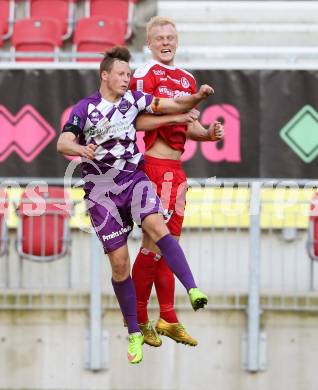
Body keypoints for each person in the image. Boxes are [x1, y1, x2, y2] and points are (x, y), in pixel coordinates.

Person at [57, 46, 214, 364]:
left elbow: (169, 103)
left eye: (130, 74)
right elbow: (62, 142)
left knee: (158, 227)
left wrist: (196, 99)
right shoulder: (85, 108)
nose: (127, 79)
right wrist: (79, 149)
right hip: (101, 192)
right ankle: (133, 332)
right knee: (119, 265)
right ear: (105, 75)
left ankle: (193, 289)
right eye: (122, 74)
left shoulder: (133, 101)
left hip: (133, 180)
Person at [130, 16, 224, 347]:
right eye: (159, 38)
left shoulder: (186, 78)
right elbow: (138, 120)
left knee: (166, 248)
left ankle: (167, 318)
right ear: (149, 44)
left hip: (177, 173)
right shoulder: (144, 74)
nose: (166, 42)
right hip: (154, 168)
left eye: (171, 37)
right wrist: (190, 105)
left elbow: (188, 127)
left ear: (177, 40)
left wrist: (208, 134)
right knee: (154, 245)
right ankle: (140, 317)